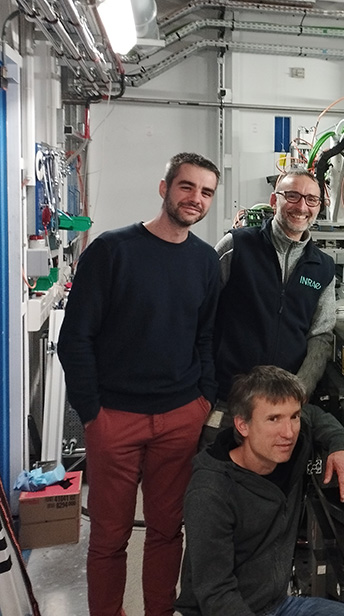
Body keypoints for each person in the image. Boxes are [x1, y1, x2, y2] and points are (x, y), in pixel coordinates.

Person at [57, 153, 221, 616]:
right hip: (115, 418)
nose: (195, 198)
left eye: (206, 192)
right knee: (109, 537)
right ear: (164, 188)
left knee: (167, 532)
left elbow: (206, 336)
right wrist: (92, 412)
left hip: (180, 417)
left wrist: (202, 400)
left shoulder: (206, 262)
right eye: (187, 187)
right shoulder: (112, 251)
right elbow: (76, 338)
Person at [175, 365, 344, 616]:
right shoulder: (210, 492)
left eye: (293, 416)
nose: (289, 432)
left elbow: (315, 415)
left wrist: (340, 446)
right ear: (243, 425)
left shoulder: (292, 446)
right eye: (273, 419)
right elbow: (216, 593)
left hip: (276, 604)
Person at [202, 169, 336, 445]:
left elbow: (321, 335)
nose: (302, 207)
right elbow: (201, 314)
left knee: (276, 471)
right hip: (229, 399)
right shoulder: (237, 245)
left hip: (283, 407)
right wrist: (205, 384)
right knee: (214, 467)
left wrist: (299, 390)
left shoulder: (323, 267)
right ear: (275, 201)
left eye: (311, 199)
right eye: (292, 196)